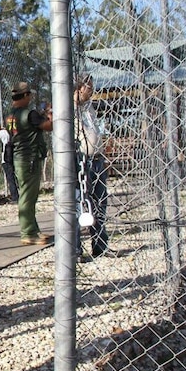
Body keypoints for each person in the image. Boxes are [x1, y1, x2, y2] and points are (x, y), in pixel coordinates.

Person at [74, 74, 113, 260]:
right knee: (77, 204)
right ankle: (74, 250)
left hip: (96, 159)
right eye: (89, 87)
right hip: (79, 160)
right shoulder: (68, 107)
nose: (92, 90)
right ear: (79, 88)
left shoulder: (89, 106)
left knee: (100, 202)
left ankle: (100, 245)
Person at [8, 81, 53, 245]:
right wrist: (49, 113)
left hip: (20, 158)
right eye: (30, 95)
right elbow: (49, 126)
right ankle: (27, 232)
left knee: (30, 196)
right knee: (27, 197)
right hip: (30, 158)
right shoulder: (29, 113)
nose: (31, 97)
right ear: (25, 95)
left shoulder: (11, 115)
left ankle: (33, 229)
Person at [0, 117, 19, 202]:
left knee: (10, 177)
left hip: (6, 158)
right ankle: (21, 194)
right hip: (14, 156)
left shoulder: (2, 132)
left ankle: (15, 197)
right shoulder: (14, 132)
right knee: (15, 176)